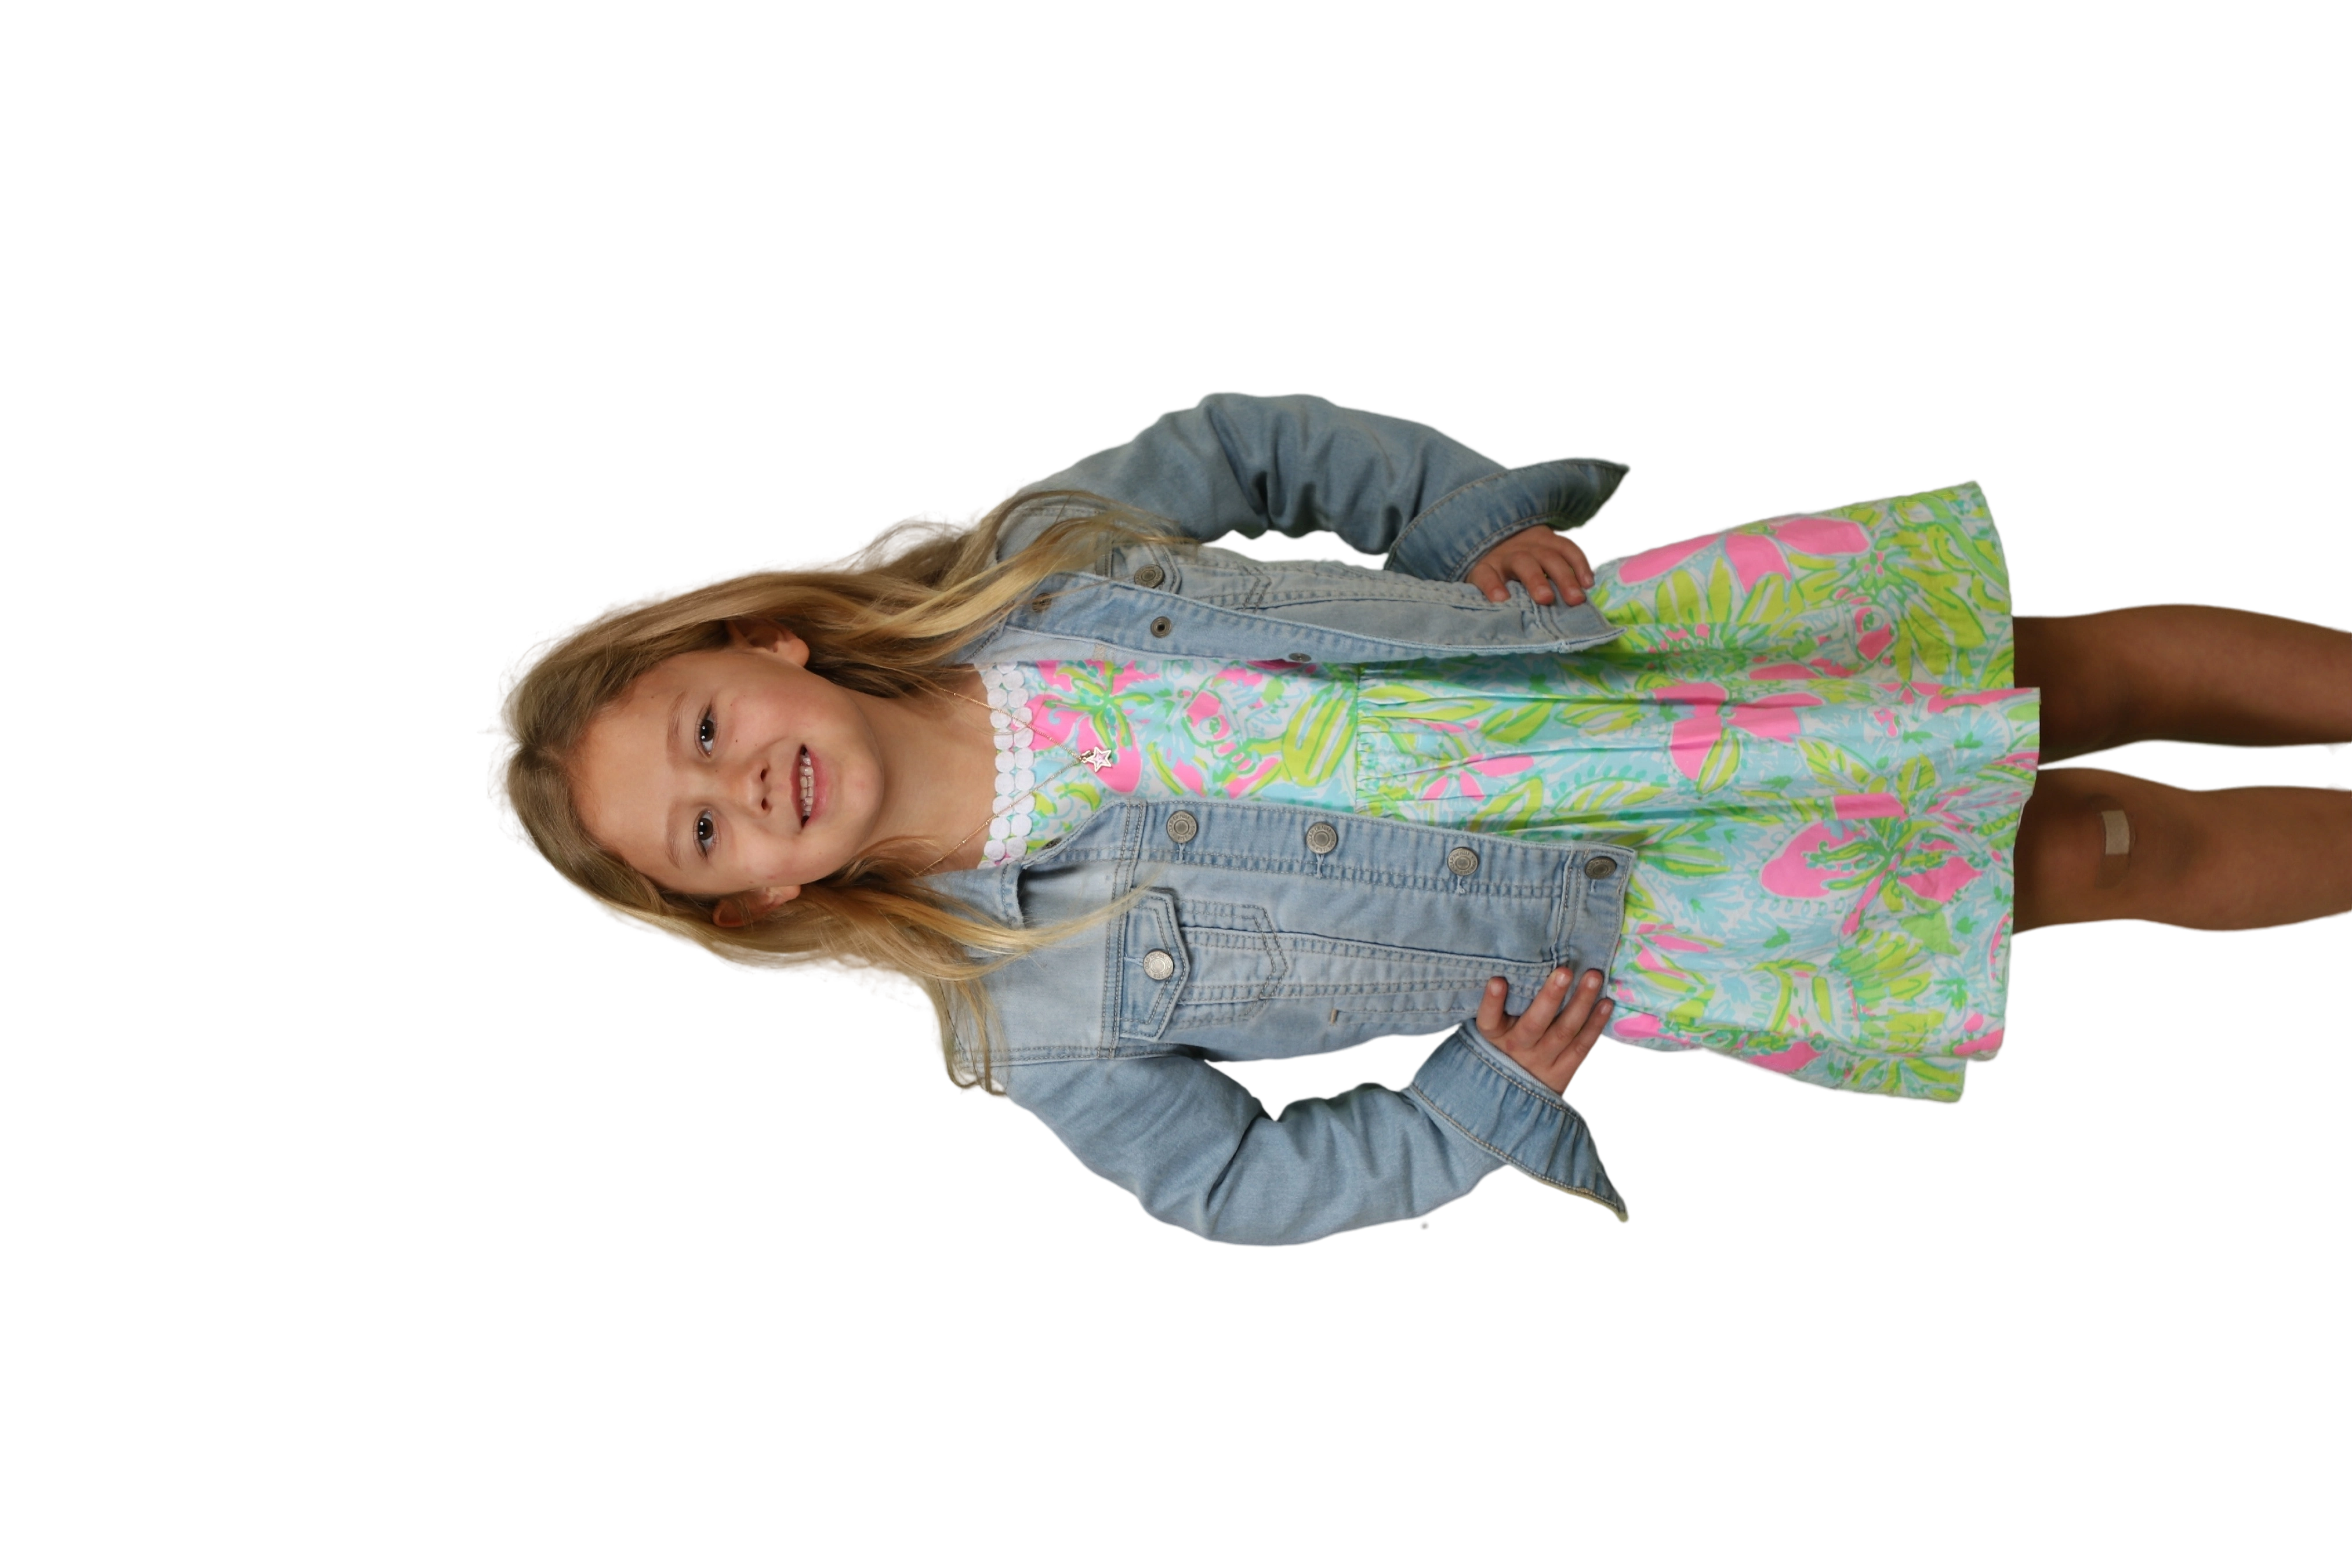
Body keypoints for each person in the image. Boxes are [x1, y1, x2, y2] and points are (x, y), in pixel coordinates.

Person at [476, 390, 2352, 1248]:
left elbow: (1255, 444)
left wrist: (1464, 526)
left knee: (2070, 671)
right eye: (703, 836)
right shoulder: (1030, 1012)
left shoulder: (1043, 560)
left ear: (767, 645)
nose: (739, 786)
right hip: (1650, 900)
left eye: (706, 731)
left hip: (1626, 673)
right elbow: (1230, 1189)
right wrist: (1466, 1104)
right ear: (757, 902)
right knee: (2096, 858)